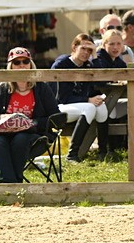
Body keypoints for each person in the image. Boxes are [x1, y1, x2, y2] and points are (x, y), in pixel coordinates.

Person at [0, 47, 61, 183]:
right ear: (10, 67)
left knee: (20, 139)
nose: (21, 65)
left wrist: (32, 122)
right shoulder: (2, 89)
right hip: (4, 134)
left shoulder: (41, 88)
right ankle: (9, 185)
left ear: (31, 64)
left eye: (25, 61)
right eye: (16, 63)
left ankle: (15, 186)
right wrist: (2, 117)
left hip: (34, 135)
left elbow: (55, 118)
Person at [52, 34, 109, 163]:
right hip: (60, 107)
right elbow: (62, 97)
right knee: (89, 107)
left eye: (89, 50)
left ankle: (103, 152)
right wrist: (88, 100)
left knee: (101, 107)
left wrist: (95, 56)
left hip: (78, 105)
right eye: (83, 48)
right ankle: (72, 155)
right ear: (74, 47)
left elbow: (102, 82)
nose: (86, 53)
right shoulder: (62, 64)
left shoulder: (88, 65)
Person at [90, 29, 128, 159]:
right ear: (104, 44)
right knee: (109, 107)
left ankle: (122, 146)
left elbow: (126, 74)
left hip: (111, 97)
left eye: (118, 44)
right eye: (111, 44)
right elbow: (99, 79)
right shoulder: (100, 57)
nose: (115, 47)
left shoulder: (118, 61)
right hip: (95, 97)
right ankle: (107, 149)